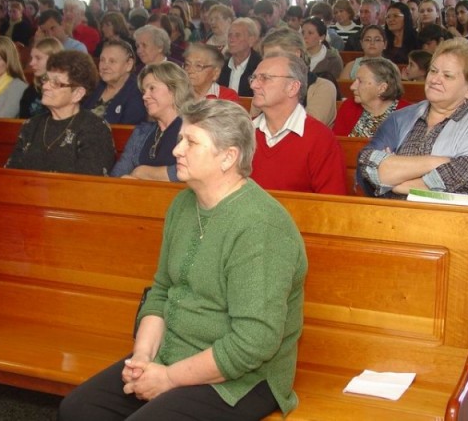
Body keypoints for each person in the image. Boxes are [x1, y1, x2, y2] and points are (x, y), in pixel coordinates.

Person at [59, 99, 307, 420]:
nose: (176, 151)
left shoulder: (261, 227)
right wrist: (143, 360)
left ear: (228, 157)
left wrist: (168, 378)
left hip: (242, 379)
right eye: (180, 139)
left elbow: (253, 343)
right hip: (173, 353)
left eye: (191, 142)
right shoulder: (183, 204)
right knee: (78, 409)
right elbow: (161, 291)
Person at [358, 38, 468, 198]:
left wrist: (396, 183)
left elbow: (466, 177)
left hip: (457, 220)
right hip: (392, 217)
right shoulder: (402, 117)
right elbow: (367, 165)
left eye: (447, 75)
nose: (435, 80)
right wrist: (440, 162)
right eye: (433, 71)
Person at [6, 51, 116, 175]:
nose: (46, 86)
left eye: (56, 83)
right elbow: (10, 174)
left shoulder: (95, 128)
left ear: (77, 94)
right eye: (46, 79)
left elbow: (87, 184)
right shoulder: (31, 125)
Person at [249, 53, 346, 194]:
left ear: (292, 88)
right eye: (253, 78)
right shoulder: (244, 131)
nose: (253, 85)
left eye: (265, 78)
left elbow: (332, 204)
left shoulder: (320, 139)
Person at [110, 62, 194, 180]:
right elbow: (117, 176)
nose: (145, 96)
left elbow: (195, 169)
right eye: (144, 91)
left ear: (174, 89)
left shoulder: (193, 129)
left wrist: (142, 172)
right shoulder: (141, 132)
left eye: (152, 88)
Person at [259, 27, 339, 128]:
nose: (270, 63)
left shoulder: (323, 88)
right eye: (266, 58)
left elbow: (309, 127)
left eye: (275, 56)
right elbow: (254, 123)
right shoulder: (261, 86)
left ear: (296, 54)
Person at [333, 57, 410, 137]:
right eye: (355, 80)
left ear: (382, 88)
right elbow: (337, 144)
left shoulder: (407, 114)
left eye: (360, 81)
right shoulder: (349, 107)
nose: (352, 87)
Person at [83, 39, 147, 124]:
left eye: (112, 61)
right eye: (102, 60)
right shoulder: (95, 86)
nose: (105, 66)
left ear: (129, 64)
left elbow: (126, 133)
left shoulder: (138, 93)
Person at [19, 36, 64, 119]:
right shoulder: (32, 90)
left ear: (53, 59)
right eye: (32, 58)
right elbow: (23, 121)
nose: (31, 63)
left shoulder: (65, 91)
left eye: (38, 58)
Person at [217, 18, 262, 97]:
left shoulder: (260, 66)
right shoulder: (222, 66)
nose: (231, 39)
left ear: (251, 40)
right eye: (230, 35)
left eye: (237, 35)